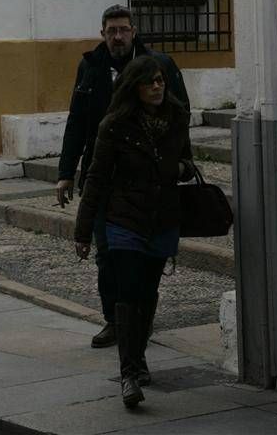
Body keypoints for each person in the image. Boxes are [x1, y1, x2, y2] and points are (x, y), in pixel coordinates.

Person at [56, 5, 189, 352]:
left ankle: (138, 319)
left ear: (134, 31)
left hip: (147, 182)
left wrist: (182, 164)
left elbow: (180, 116)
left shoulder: (156, 66)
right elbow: (77, 119)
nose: (117, 37)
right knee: (108, 255)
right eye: (111, 31)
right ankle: (115, 320)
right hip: (105, 177)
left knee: (145, 263)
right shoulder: (91, 67)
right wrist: (66, 172)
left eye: (123, 30)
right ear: (102, 33)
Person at [74, 55, 195, 409]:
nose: (158, 87)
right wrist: (83, 231)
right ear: (134, 87)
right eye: (150, 82)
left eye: (160, 80)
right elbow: (95, 178)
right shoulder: (114, 125)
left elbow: (187, 161)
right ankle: (128, 373)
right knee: (127, 292)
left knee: (147, 292)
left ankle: (139, 357)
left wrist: (182, 168)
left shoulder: (177, 118)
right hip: (124, 219)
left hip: (162, 218)